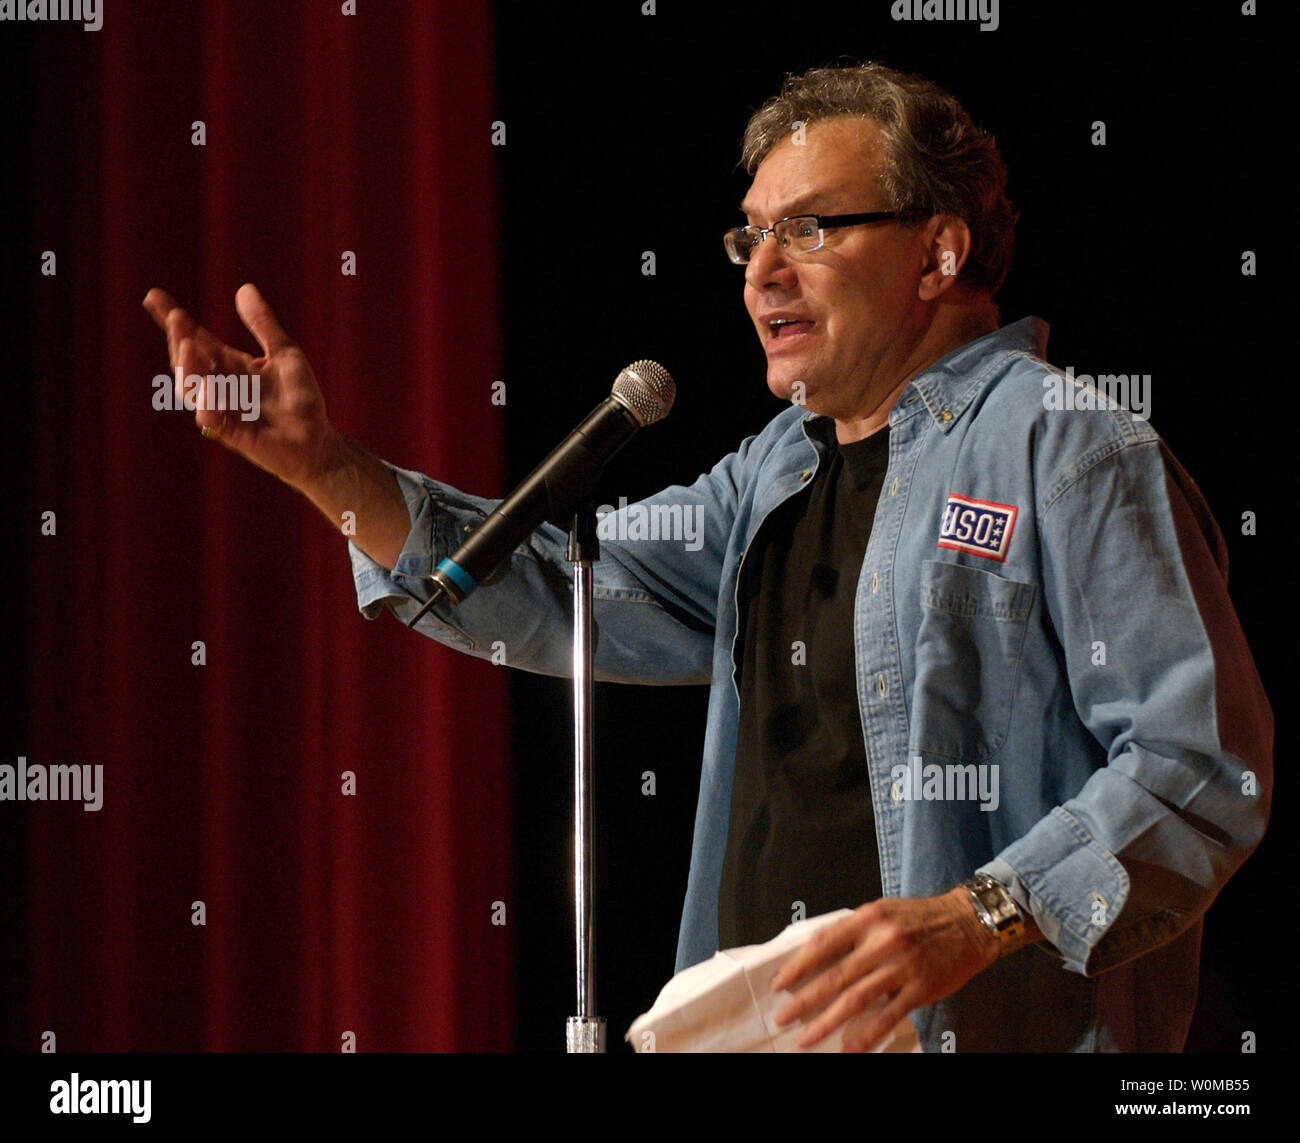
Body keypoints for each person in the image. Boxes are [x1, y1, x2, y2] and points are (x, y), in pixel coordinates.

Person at [144, 61, 1272, 1053]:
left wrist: (975, 917)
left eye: (812, 228)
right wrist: (327, 471)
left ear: (939, 249)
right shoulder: (773, 472)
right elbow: (557, 592)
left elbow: (1197, 768)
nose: (762, 272)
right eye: (751, 234)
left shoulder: (1063, 444)